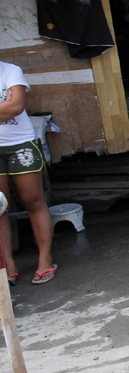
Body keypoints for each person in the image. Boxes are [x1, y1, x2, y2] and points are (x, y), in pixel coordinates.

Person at [0, 62, 56, 285]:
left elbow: (15, 106)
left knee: (33, 200)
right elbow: (8, 106)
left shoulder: (10, 71)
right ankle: (7, 264)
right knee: (0, 206)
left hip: (19, 143)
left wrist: (9, 106)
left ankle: (45, 259)